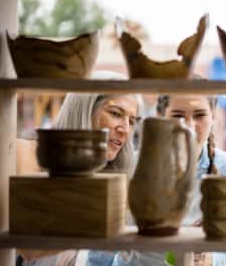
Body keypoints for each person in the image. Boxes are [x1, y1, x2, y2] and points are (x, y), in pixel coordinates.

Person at [16, 70, 170, 266]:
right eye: (115, 114)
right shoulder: (25, 153)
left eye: (132, 121)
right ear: (85, 109)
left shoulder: (111, 179)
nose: (125, 129)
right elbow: (31, 249)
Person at [156, 92, 226, 266]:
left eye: (200, 115)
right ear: (160, 118)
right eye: (178, 115)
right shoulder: (136, 168)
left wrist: (211, 259)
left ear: (213, 117)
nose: (189, 125)